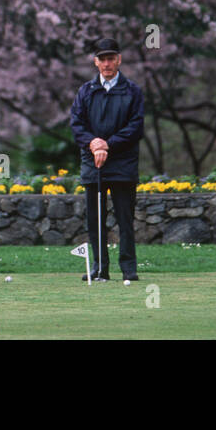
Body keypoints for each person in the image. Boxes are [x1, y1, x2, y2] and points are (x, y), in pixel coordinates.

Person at [69, 37, 145, 282]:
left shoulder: (132, 91)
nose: (107, 63)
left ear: (119, 60)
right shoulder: (86, 91)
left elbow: (135, 127)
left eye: (111, 58)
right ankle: (100, 268)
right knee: (95, 220)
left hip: (123, 163)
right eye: (102, 59)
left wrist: (107, 145)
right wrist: (94, 143)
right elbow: (77, 124)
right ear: (96, 62)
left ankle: (128, 269)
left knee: (124, 218)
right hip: (94, 163)